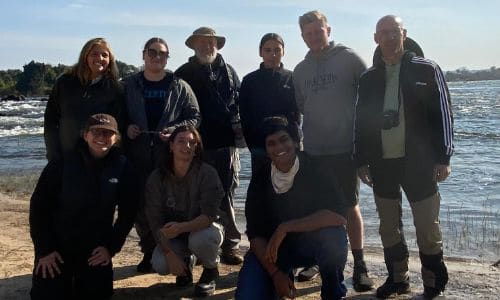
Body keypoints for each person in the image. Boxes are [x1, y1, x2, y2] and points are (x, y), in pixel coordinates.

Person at [354, 15, 453, 299]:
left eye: (394, 31)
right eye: (383, 33)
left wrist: (444, 157)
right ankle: (398, 279)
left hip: (419, 162)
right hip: (382, 163)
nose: (389, 37)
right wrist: (360, 159)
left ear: (404, 34)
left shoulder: (427, 69)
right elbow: (360, 121)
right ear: (376, 38)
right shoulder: (368, 77)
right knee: (388, 226)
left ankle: (433, 282)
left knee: (427, 226)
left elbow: (444, 115)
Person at [292, 10, 374, 290]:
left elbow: (370, 97)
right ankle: (319, 259)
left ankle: (360, 264)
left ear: (328, 30)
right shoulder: (300, 70)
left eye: (318, 31)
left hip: (345, 149)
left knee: (350, 206)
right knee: (318, 208)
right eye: (308, 33)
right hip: (313, 151)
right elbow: (302, 107)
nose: (314, 37)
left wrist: (366, 146)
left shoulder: (349, 59)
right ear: (302, 36)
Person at [235, 116, 348, 300]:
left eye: (283, 139)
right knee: (247, 295)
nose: (278, 147)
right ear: (266, 150)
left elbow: (339, 216)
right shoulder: (260, 178)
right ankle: (281, 279)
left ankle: (333, 294)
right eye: (271, 143)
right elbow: (254, 236)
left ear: (296, 142)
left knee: (334, 238)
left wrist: (285, 227)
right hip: (274, 251)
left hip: (312, 244)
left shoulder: (316, 167)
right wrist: (275, 274)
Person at [30, 114, 139, 300]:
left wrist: (110, 248)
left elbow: (128, 213)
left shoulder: (122, 167)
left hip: (95, 249)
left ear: (116, 138)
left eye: (108, 133)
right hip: (57, 246)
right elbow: (39, 208)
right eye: (96, 132)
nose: (102, 137)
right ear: (85, 135)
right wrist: (45, 250)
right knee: (46, 295)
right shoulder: (62, 163)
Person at [123, 37, 201, 273]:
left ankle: (179, 251)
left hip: (168, 157)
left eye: (162, 54)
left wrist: (176, 130)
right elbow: (116, 113)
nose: (157, 57)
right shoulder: (128, 84)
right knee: (141, 207)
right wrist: (126, 126)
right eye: (153, 52)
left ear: (168, 58)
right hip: (136, 156)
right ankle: (148, 252)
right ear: (144, 54)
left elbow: (195, 117)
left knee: (170, 204)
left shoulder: (179, 85)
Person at [175, 27, 243, 265]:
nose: (207, 46)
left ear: (217, 45)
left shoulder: (230, 72)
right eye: (202, 42)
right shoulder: (182, 73)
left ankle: (230, 246)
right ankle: (194, 247)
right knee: (193, 196)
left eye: (211, 42)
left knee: (226, 195)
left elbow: (239, 105)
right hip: (194, 147)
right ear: (193, 45)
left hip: (226, 147)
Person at [145, 125, 225, 297]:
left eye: (192, 142)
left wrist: (181, 227)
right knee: (160, 264)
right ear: (171, 145)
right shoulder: (156, 178)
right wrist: (169, 254)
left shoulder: (208, 173)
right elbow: (154, 221)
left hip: (204, 229)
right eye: (181, 141)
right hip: (174, 236)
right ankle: (186, 266)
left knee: (202, 239)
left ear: (197, 149)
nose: (187, 146)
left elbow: (209, 216)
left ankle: (211, 271)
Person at [44, 37, 125, 162]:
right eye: (94, 54)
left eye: (105, 55)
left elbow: (119, 125)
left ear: (110, 60)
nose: (100, 58)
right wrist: (53, 152)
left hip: (100, 156)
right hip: (67, 152)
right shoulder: (65, 82)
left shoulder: (115, 88)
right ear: (85, 56)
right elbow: (50, 120)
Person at [239, 33, 299, 175]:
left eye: (277, 50)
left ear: (283, 51)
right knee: (261, 189)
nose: (273, 54)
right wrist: (254, 145)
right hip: (259, 146)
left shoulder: (292, 78)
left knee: (289, 188)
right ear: (261, 52)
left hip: (287, 145)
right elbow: (245, 116)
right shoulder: (249, 80)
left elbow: (296, 114)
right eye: (268, 50)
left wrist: (295, 142)